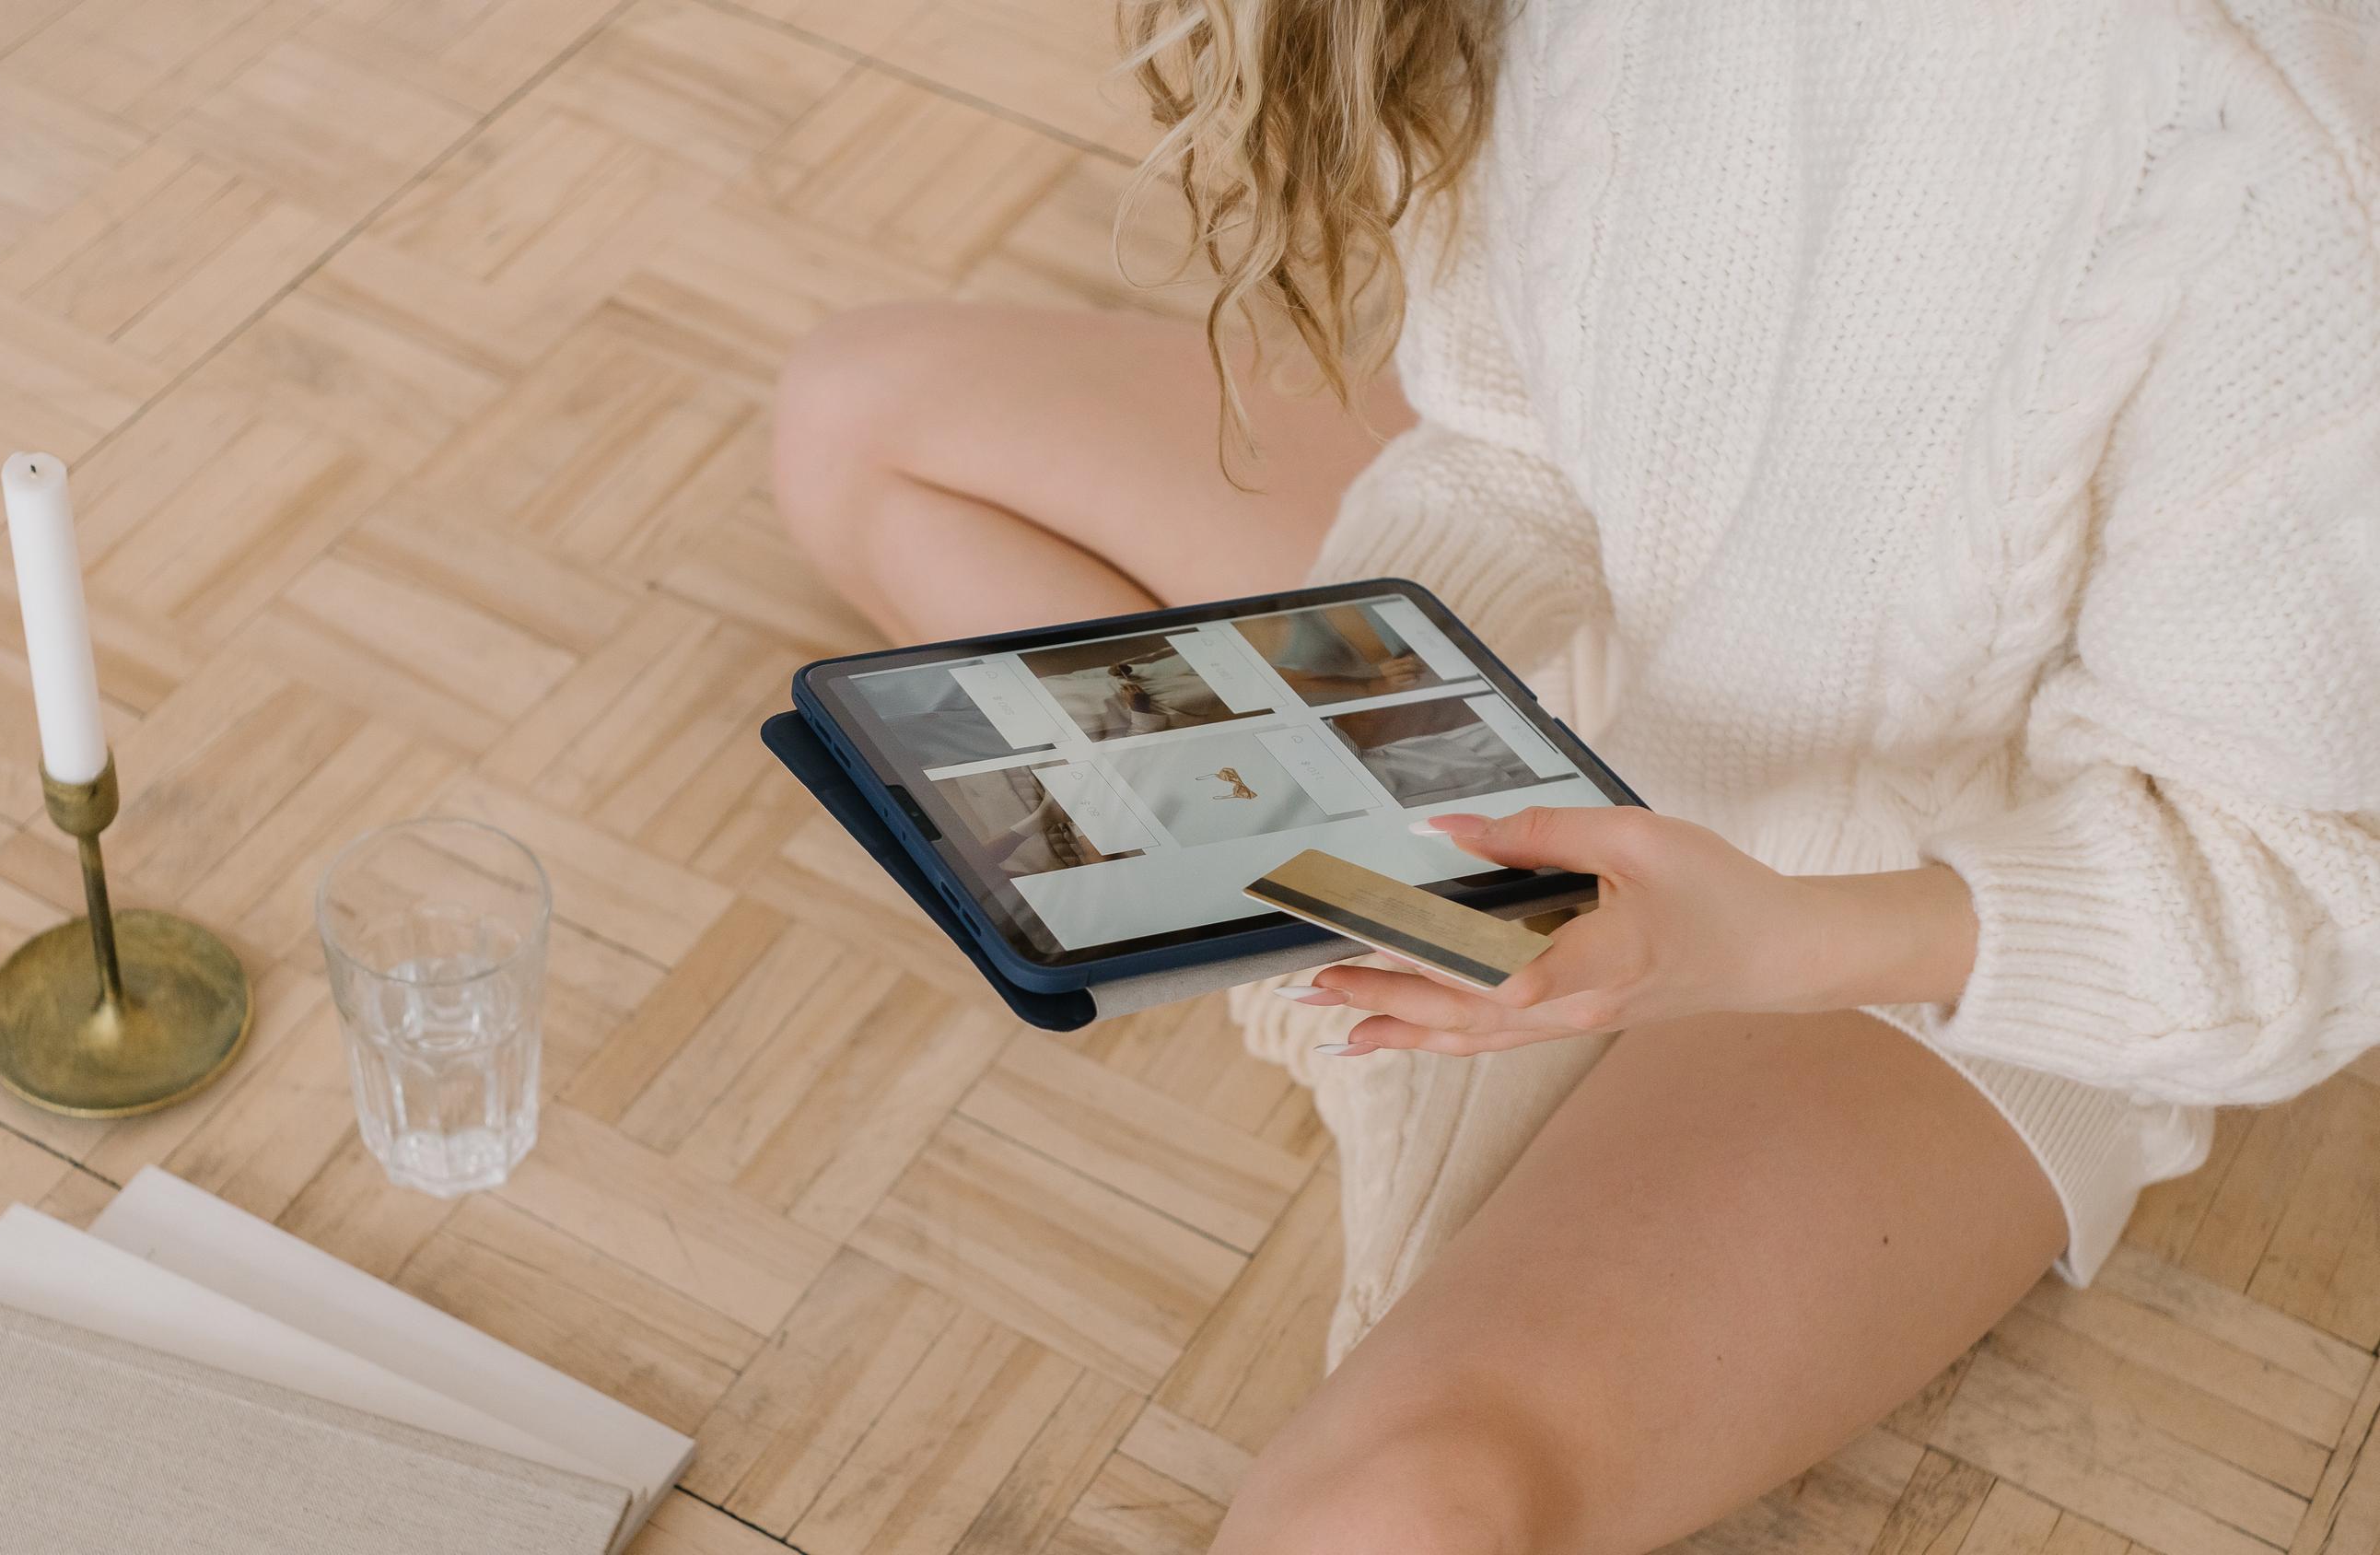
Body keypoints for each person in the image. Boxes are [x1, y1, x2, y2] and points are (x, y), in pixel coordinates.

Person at [768, 2, 2380, 1550]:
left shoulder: (2281, 155)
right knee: (858, 419)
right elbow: (1515, 444)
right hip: (1610, 690)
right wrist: (1344, 726)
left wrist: (1764, 942)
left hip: (1929, 942)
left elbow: (2304, 902)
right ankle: (1388, 915)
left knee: (1387, 1515)